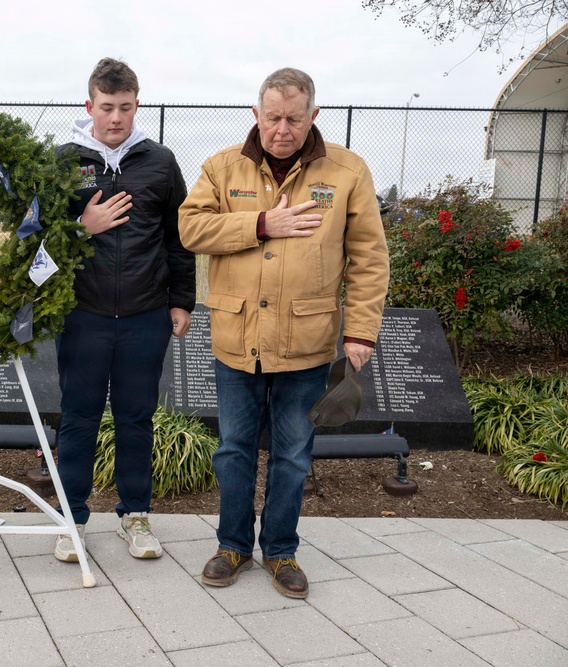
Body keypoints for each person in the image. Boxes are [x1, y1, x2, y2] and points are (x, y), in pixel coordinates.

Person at [178, 68, 389, 598]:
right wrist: (260, 224)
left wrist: (360, 331)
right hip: (237, 339)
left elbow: (369, 257)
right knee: (233, 450)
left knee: (293, 454)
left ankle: (280, 551)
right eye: (272, 117)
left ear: (314, 115)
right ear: (256, 113)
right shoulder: (222, 167)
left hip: (308, 343)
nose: (282, 129)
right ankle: (231, 546)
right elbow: (189, 228)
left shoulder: (347, 171)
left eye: (295, 118)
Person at [53, 58, 196, 563]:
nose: (116, 118)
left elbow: (178, 238)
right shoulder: (61, 160)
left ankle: (135, 515)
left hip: (144, 315)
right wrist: (80, 228)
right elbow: (36, 237)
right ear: (89, 105)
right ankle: (71, 518)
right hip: (83, 314)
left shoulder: (160, 161)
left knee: (136, 418)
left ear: (138, 105)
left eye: (126, 107)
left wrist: (181, 300)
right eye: (107, 107)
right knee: (78, 417)